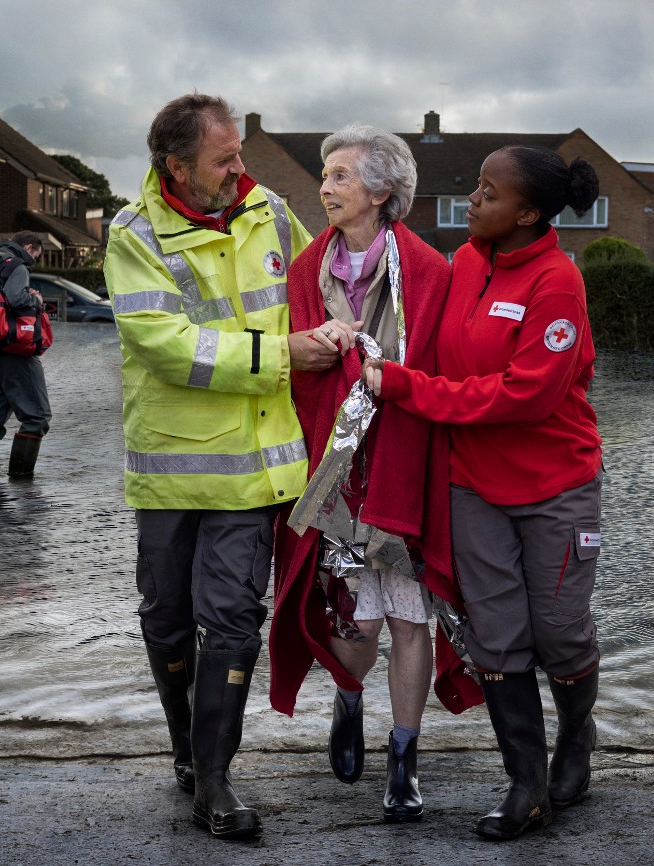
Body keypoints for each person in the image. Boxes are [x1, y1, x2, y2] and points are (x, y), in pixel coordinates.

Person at [103, 93, 337, 841]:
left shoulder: (267, 208)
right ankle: (186, 751)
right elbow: (163, 344)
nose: (241, 168)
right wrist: (279, 356)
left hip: (255, 468)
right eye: (224, 158)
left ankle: (215, 781)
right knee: (166, 621)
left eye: (239, 153)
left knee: (233, 618)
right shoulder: (134, 233)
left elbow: (319, 282)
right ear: (176, 166)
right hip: (172, 468)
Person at [362, 145, 603, 840]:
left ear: (526, 213)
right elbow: (425, 348)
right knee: (495, 638)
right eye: (476, 186)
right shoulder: (465, 264)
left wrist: (409, 388)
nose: (471, 200)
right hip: (472, 487)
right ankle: (525, 786)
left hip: (555, 486)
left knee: (558, 634)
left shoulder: (556, 283)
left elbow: (523, 397)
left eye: (487, 193)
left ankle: (576, 738)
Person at [269, 124, 452, 823]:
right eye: (325, 174)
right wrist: (318, 351)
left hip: (404, 465)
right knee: (354, 621)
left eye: (341, 175)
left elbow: (442, 371)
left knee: (410, 619)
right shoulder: (304, 268)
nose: (325, 186)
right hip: (335, 471)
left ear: (381, 192)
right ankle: (348, 698)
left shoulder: (431, 270)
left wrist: (388, 373)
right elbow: (294, 378)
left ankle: (403, 760)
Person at [0, 230, 51, 477]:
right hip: (13, 345)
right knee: (37, 416)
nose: (32, 263)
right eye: (34, 257)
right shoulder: (16, 265)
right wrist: (37, 301)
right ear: (28, 247)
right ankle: (22, 483)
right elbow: (17, 298)